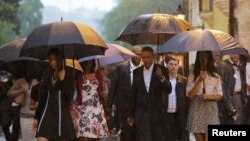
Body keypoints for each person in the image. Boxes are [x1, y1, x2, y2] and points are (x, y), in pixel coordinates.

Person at [128, 46, 172, 141]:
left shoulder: (162, 70)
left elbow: (169, 90)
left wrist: (161, 77)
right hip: (141, 113)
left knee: (157, 137)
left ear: (153, 57)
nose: (145, 59)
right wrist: (131, 114)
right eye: (143, 57)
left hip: (157, 113)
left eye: (148, 57)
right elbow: (133, 94)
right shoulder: (137, 72)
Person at [32, 48, 76, 141]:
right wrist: (36, 117)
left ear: (60, 60)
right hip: (47, 115)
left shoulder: (68, 76)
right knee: (41, 139)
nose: (52, 62)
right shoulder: (47, 76)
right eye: (50, 60)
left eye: (54, 59)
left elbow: (69, 96)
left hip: (62, 116)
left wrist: (63, 80)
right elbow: (42, 98)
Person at [186, 51, 222, 141]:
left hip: (210, 108)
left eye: (205, 57)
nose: (203, 59)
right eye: (201, 56)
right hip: (196, 107)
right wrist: (199, 80)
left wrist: (209, 97)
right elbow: (190, 96)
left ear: (209, 58)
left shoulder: (216, 76)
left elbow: (220, 95)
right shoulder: (192, 75)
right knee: (199, 139)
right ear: (198, 58)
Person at [108, 46, 142, 141]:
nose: (137, 57)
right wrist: (109, 105)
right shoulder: (122, 67)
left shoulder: (144, 69)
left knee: (138, 132)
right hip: (124, 106)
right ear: (131, 55)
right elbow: (114, 86)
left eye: (139, 55)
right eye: (135, 54)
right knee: (126, 132)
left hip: (139, 107)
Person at [72, 59, 109, 141]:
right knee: (84, 134)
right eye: (86, 63)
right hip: (82, 107)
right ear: (82, 63)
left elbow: (101, 89)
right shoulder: (78, 74)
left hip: (96, 107)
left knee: (96, 134)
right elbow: (73, 90)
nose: (88, 65)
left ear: (93, 63)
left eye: (90, 62)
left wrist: (103, 94)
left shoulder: (97, 73)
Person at [164, 58, 189, 141]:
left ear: (178, 66)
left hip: (180, 114)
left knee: (181, 136)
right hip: (166, 114)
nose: (173, 66)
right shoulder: (162, 80)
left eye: (175, 64)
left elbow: (187, 98)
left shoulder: (184, 80)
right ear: (167, 65)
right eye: (171, 64)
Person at [224, 54, 247, 124]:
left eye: (237, 54)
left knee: (238, 119)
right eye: (233, 54)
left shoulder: (241, 65)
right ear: (229, 54)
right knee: (230, 119)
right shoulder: (225, 64)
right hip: (229, 95)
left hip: (239, 95)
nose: (235, 56)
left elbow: (243, 81)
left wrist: (244, 96)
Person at [4, 75, 27, 141]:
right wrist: (21, 90)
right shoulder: (19, 81)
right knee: (8, 125)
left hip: (20, 108)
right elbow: (8, 94)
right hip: (11, 107)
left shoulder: (24, 81)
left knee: (16, 127)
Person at [213, 54, 235, 124]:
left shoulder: (221, 66)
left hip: (221, 99)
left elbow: (230, 82)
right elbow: (232, 83)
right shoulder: (228, 66)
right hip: (224, 98)